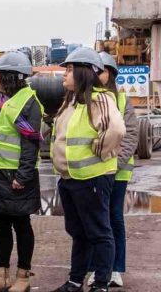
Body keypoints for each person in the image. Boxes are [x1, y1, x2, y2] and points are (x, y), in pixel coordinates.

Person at [50, 47, 125, 292]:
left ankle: (100, 283)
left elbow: (116, 130)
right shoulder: (71, 102)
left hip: (92, 179)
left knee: (99, 233)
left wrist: (100, 150)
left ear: (83, 73)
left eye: (69, 70)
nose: (64, 75)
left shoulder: (100, 99)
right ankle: (75, 281)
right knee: (78, 232)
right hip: (70, 179)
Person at [0, 52, 43, 292]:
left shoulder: (26, 103)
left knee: (22, 226)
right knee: (1, 227)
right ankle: (0, 275)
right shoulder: (0, 100)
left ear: (9, 77)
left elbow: (30, 142)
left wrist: (22, 176)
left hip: (14, 178)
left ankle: (23, 277)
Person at [84, 52, 138, 289]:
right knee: (95, 221)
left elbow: (131, 135)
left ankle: (116, 269)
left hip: (117, 171)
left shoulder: (122, 100)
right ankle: (96, 267)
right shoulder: (86, 100)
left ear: (112, 74)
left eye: (103, 71)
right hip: (94, 171)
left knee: (114, 218)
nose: (99, 75)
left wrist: (114, 164)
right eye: (95, 71)